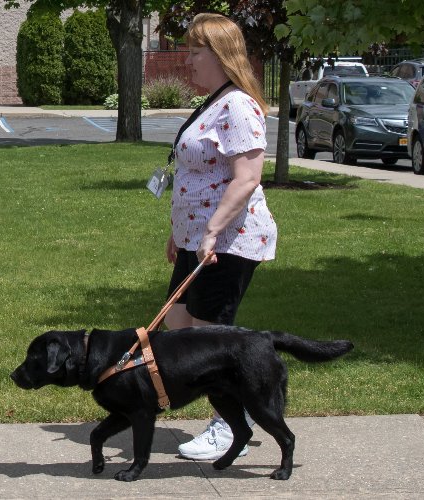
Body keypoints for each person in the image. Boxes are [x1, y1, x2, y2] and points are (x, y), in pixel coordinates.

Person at [164, 12, 278, 461]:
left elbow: (247, 177)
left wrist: (210, 230)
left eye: (195, 51)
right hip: (198, 240)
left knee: (210, 335)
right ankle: (232, 409)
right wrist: (181, 233)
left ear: (220, 55)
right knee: (177, 323)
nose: (186, 60)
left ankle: (234, 426)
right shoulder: (215, 101)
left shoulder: (237, 105)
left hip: (230, 240)